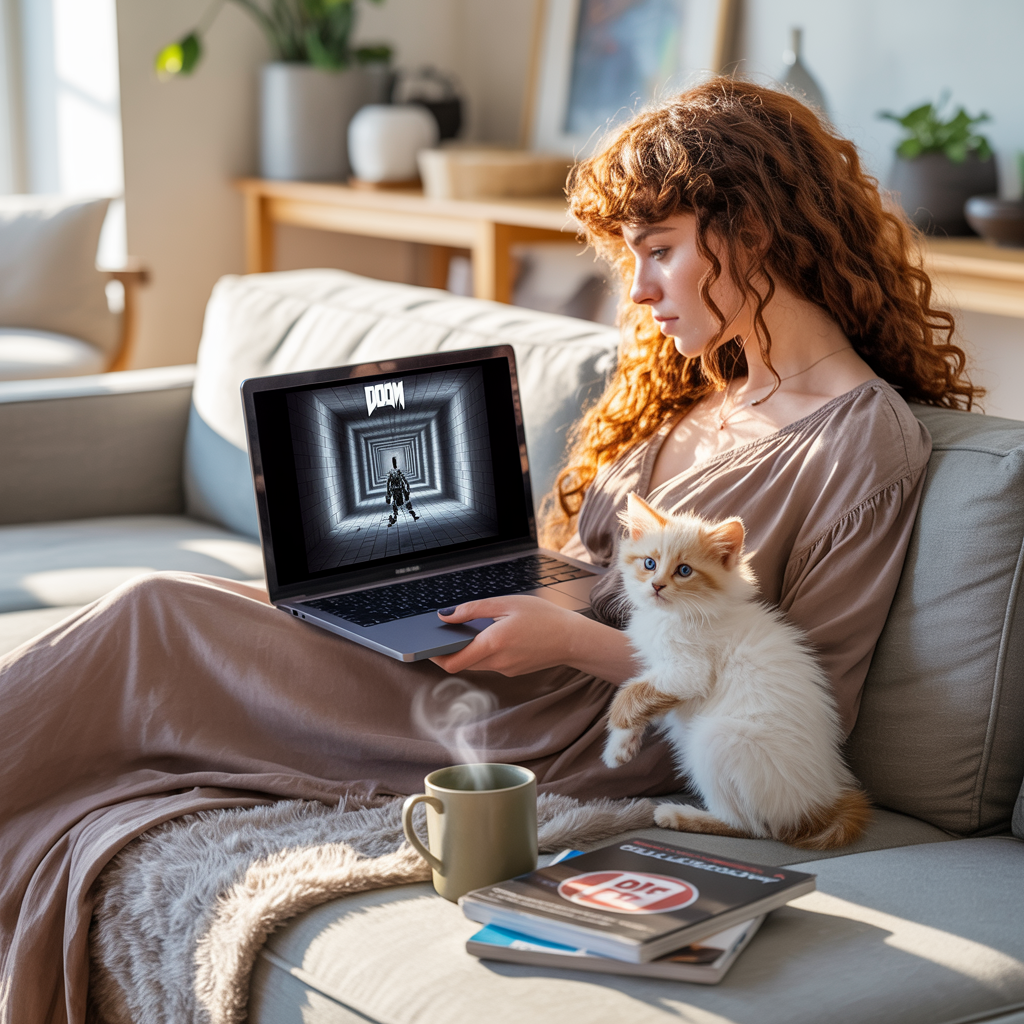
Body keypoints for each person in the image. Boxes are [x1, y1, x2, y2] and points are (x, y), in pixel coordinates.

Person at [0, 78, 980, 1021]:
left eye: (660, 251)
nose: (638, 291)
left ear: (753, 228)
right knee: (202, 618)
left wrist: (564, 643)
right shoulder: (710, 387)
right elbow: (589, 572)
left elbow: (809, 704)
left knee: (154, 617)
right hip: (513, 665)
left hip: (569, 729)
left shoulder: (864, 440)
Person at [385, 455, 420, 525]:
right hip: (396, 490)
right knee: (399, 502)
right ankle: (395, 517)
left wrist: (407, 487)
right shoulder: (394, 473)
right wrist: (388, 492)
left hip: (398, 490)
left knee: (402, 502)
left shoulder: (395, 472)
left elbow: (403, 480)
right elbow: (389, 482)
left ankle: (396, 517)